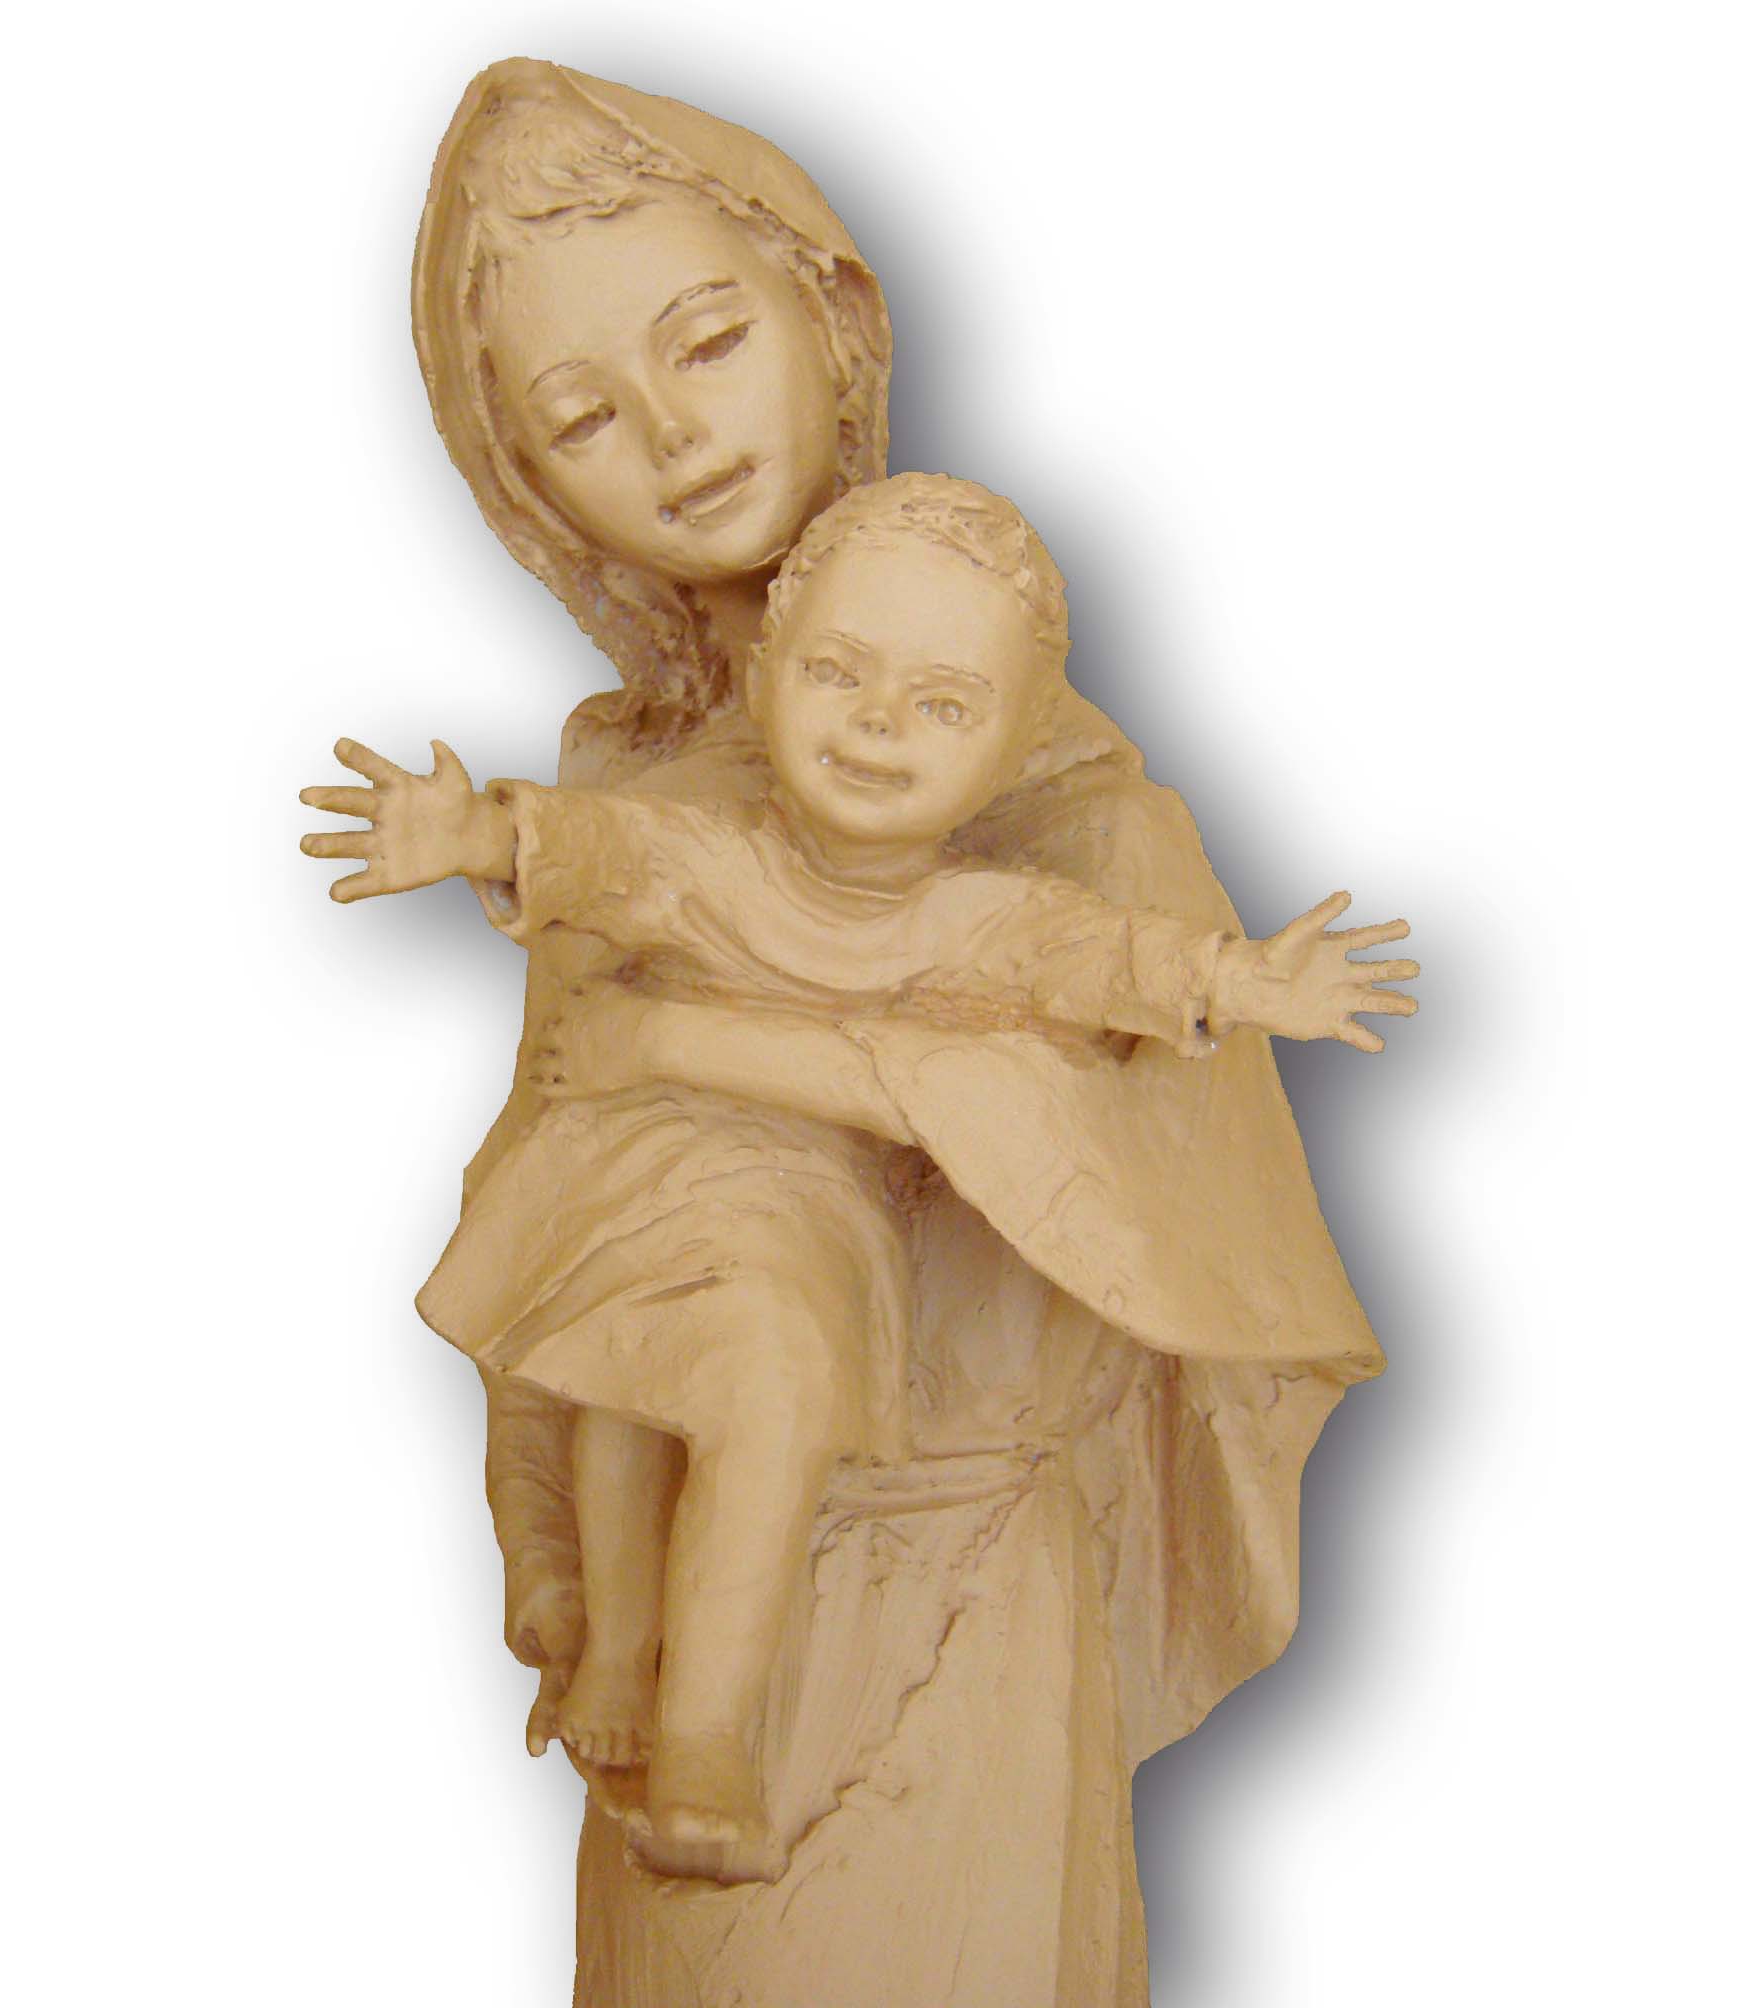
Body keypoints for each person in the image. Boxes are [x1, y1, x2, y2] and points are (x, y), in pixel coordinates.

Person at [307, 58, 1393, 1994]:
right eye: (577, 417)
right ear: (525, 489)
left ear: (833, 317)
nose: (669, 435)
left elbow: (1136, 1197)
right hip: (674, 1621)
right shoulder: (621, 798)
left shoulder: (1066, 812)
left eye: (708, 340)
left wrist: (732, 1054)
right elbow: (555, 1182)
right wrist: (544, 1533)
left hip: (959, 1591)